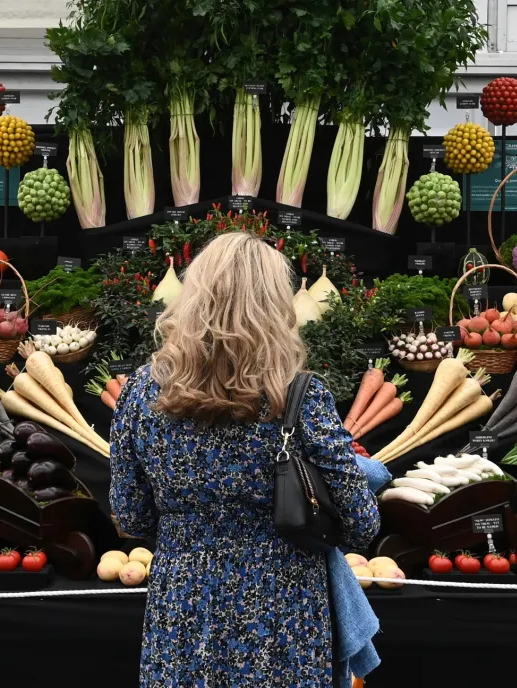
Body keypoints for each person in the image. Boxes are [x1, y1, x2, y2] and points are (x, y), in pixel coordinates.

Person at [110, 231, 381, 686]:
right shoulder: (300, 396)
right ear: (275, 308)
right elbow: (361, 524)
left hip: (182, 612)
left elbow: (131, 516)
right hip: (284, 618)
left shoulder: (140, 392)